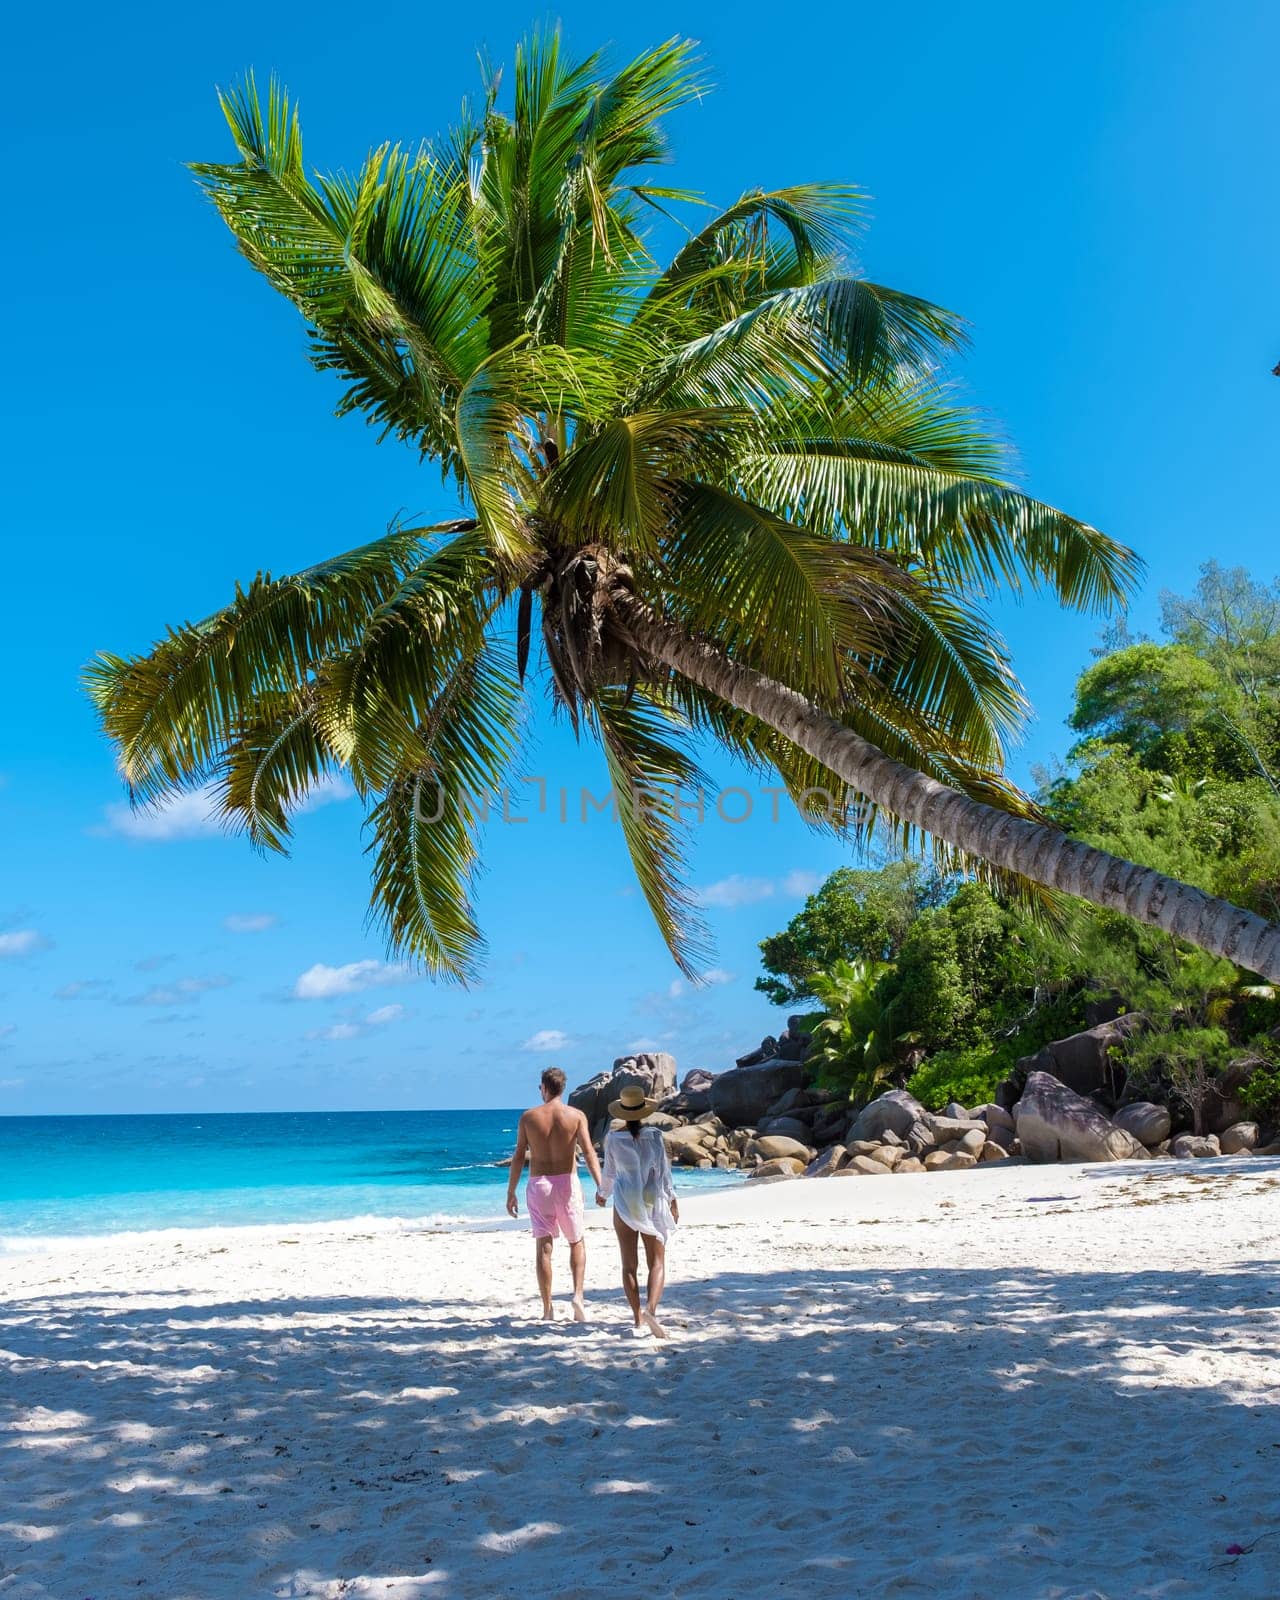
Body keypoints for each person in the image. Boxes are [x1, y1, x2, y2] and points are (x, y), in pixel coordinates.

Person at [506, 1066, 603, 1322]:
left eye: (540, 1087)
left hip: (539, 1184)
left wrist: (511, 1191)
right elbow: (590, 1152)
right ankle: (578, 1296)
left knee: (544, 1247)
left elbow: (518, 1157)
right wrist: (600, 1185)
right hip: (567, 1184)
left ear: (545, 1087)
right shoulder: (576, 1115)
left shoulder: (529, 1117)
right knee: (576, 1241)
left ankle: (547, 1308)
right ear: (563, 1088)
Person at [595, 1084, 679, 1338]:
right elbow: (663, 1173)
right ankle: (651, 1309)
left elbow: (609, 1173)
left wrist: (602, 1194)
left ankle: (636, 1318)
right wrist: (673, 1199)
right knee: (657, 1262)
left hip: (624, 1203)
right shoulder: (654, 1136)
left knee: (628, 1265)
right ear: (643, 1111)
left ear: (622, 1111)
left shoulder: (613, 1139)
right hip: (652, 1200)